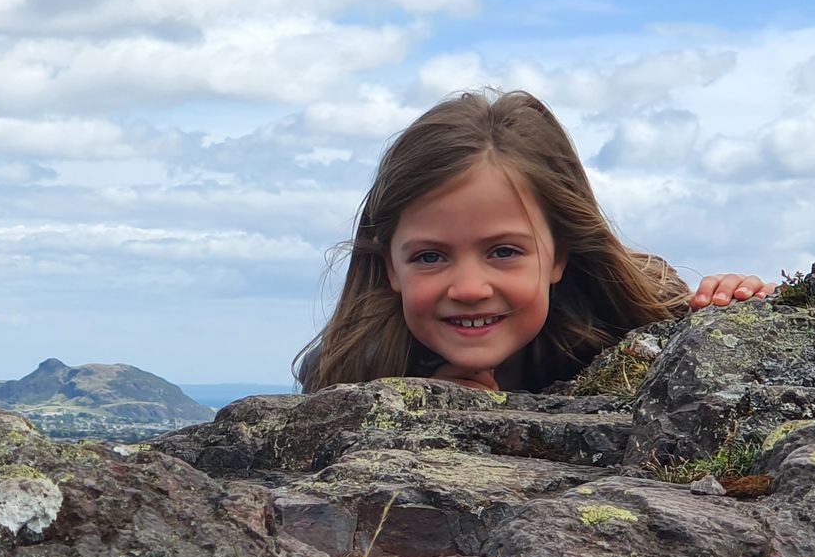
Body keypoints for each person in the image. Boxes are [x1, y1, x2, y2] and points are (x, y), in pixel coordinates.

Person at [298, 90, 771, 394]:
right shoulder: (348, 376)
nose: (468, 288)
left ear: (559, 254)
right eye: (429, 257)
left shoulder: (644, 331)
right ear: (390, 268)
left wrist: (745, 307)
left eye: (503, 251)